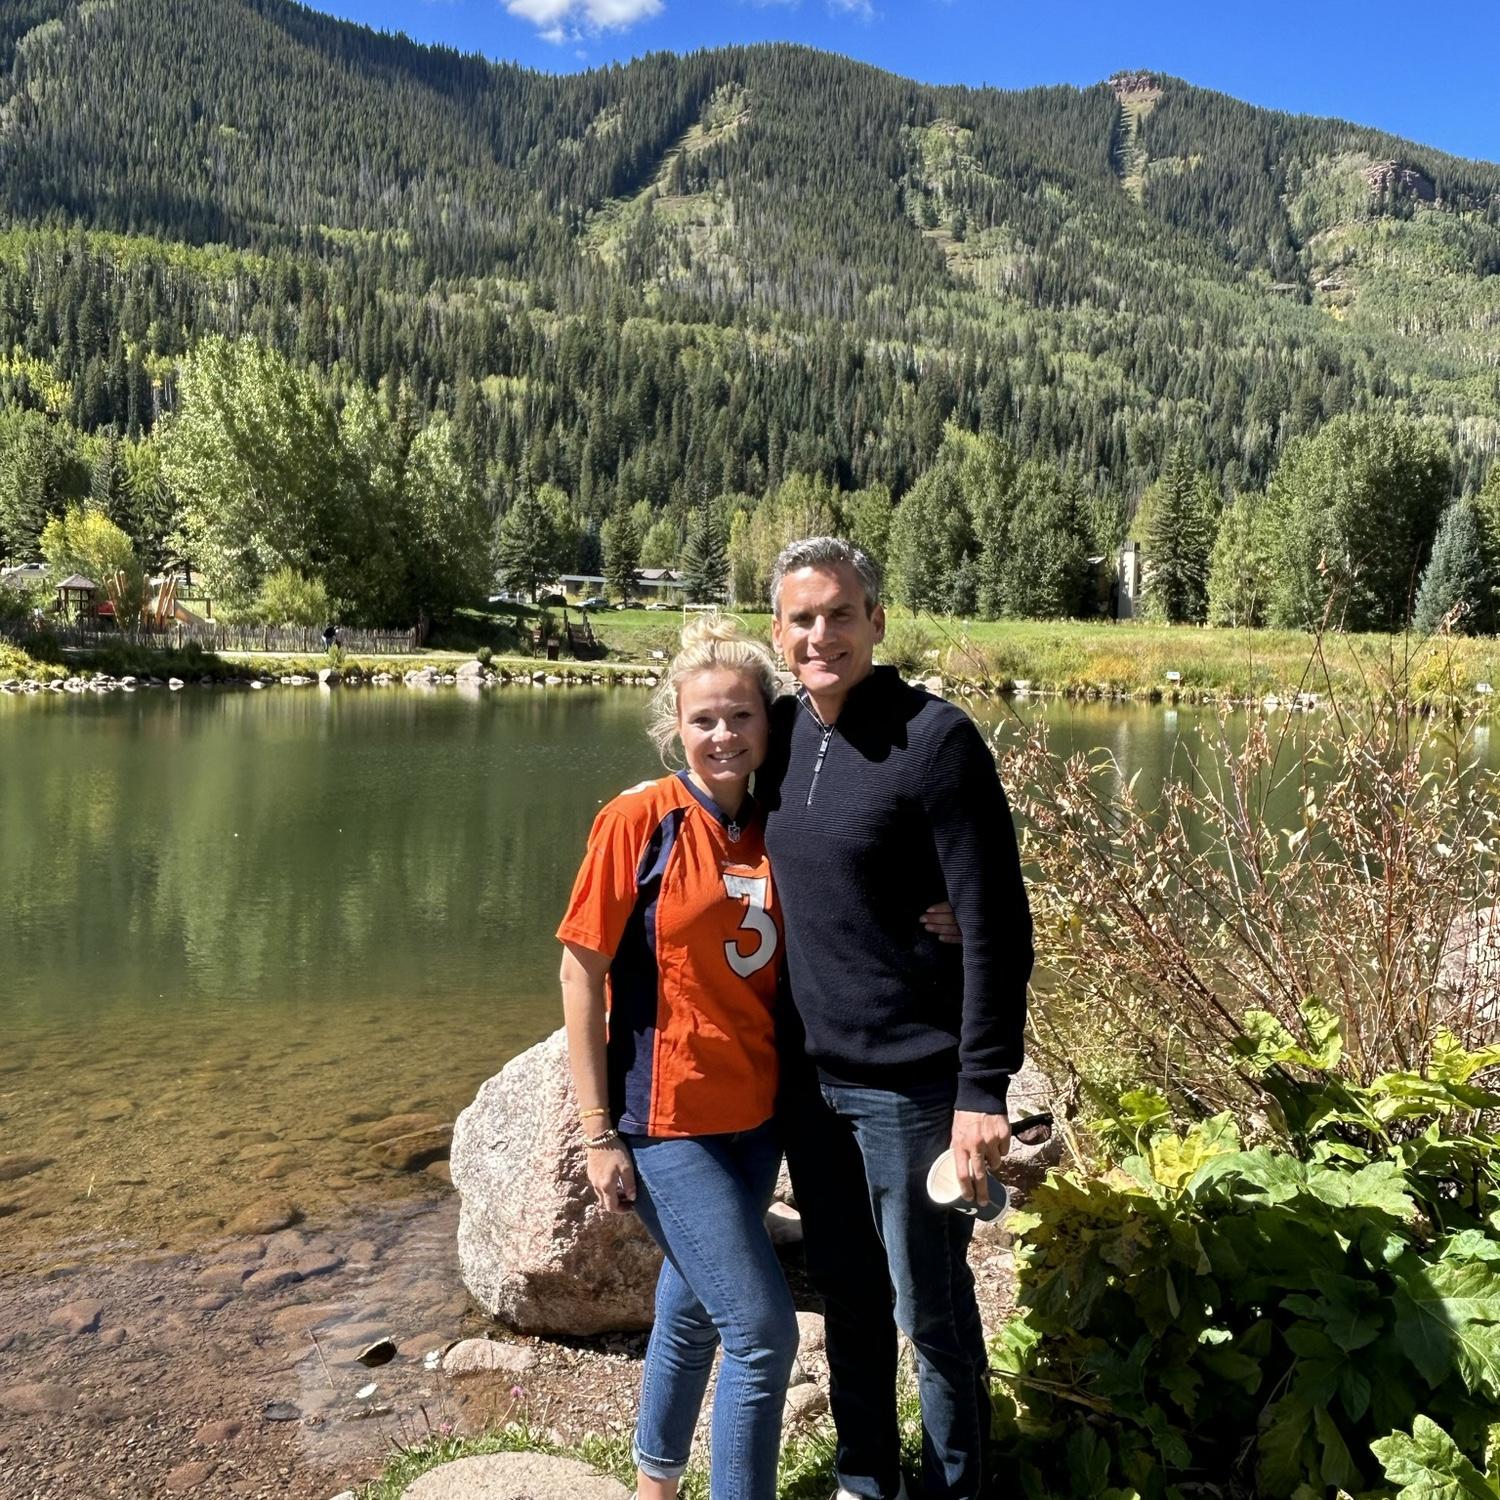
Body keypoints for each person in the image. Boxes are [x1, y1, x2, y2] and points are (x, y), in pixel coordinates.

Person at [758, 537, 1034, 1500]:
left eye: (840, 613)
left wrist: (982, 1088)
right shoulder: (783, 736)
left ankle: (958, 1485)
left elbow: (998, 924)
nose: (821, 634)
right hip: (812, 1082)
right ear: (779, 633)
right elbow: (715, 815)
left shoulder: (937, 740)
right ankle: (866, 1475)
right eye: (802, 618)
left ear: (877, 620)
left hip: (916, 1085)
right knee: (849, 1293)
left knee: (931, 1304)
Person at [556, 615, 797, 1500]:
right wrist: (596, 1133)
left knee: (693, 1310)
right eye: (704, 720)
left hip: (755, 1118)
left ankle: (654, 1483)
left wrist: (940, 914)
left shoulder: (776, 825)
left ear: (767, 726)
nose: (723, 735)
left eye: (740, 716)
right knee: (765, 1331)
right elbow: (580, 972)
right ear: (676, 727)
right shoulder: (639, 820)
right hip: (663, 1124)